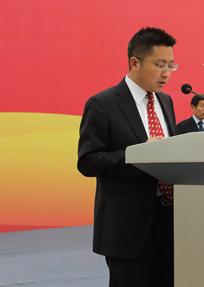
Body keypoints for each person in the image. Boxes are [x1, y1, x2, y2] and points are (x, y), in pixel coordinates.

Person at [77, 27, 178, 287]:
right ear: (134, 62)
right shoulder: (103, 103)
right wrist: (139, 155)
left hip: (169, 222)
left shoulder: (166, 102)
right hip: (128, 228)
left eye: (171, 65)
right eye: (160, 65)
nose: (166, 73)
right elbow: (88, 161)